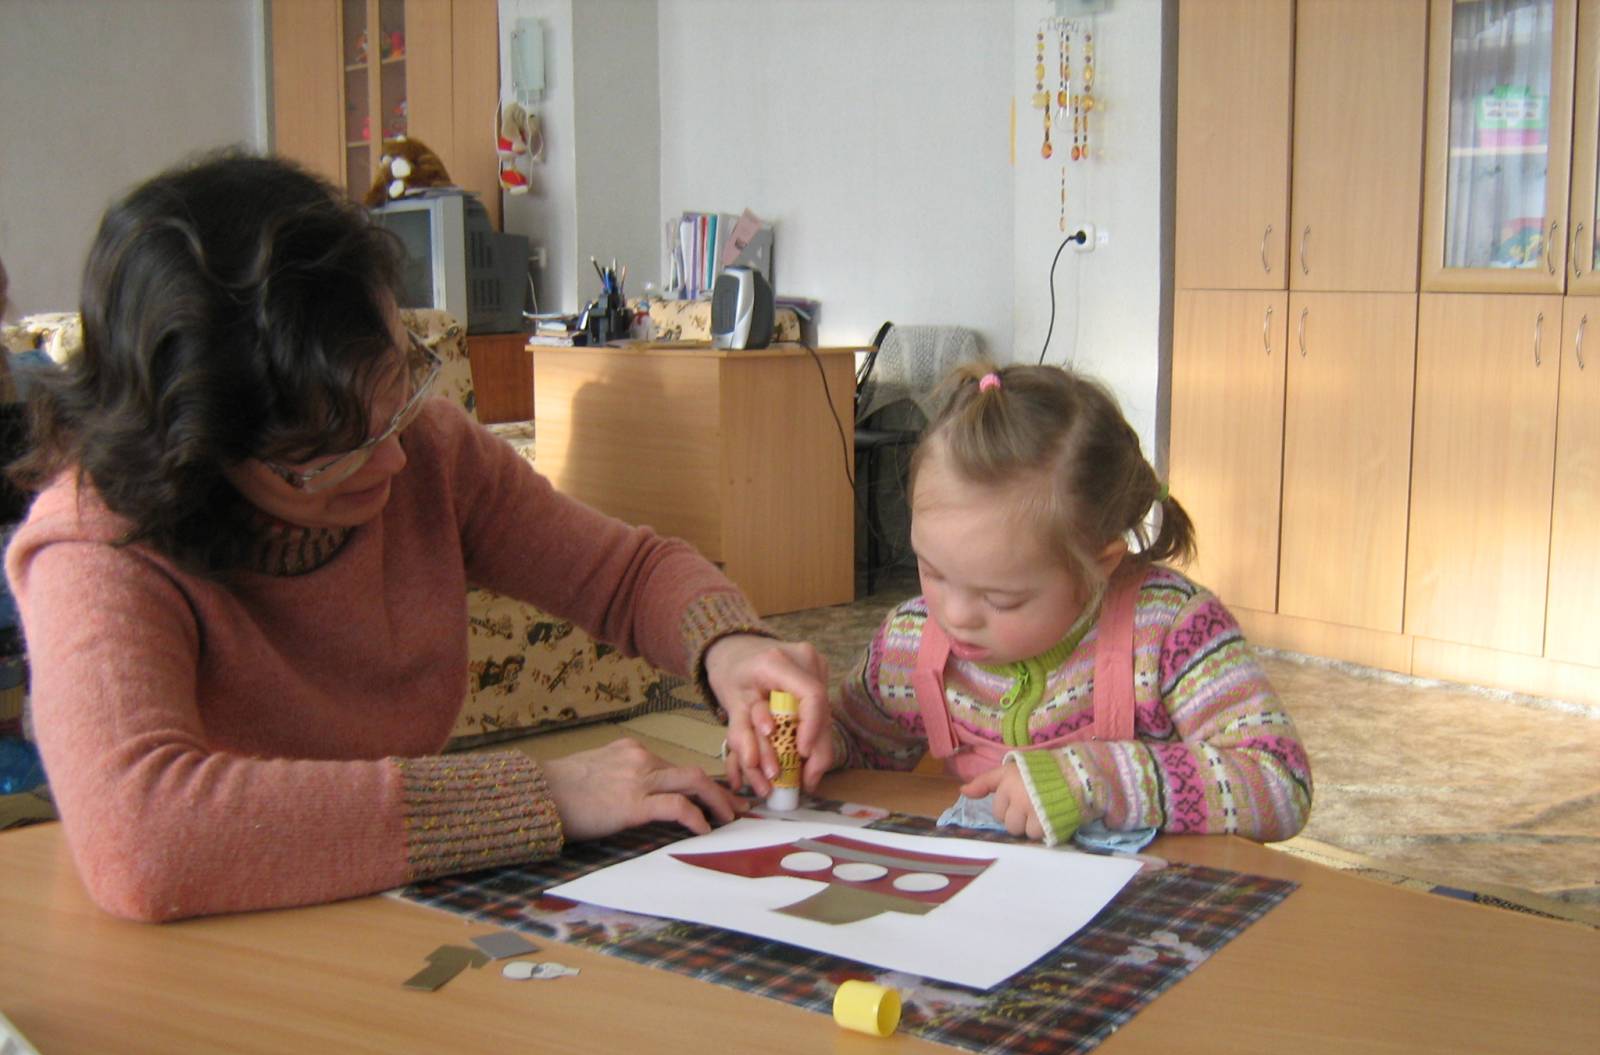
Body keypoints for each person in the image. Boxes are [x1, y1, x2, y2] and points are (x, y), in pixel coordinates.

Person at [3, 150, 832, 922]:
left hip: (383, 902)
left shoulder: (427, 452)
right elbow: (144, 839)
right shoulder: (96, 543)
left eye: (398, 393)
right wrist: (539, 794)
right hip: (211, 943)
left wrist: (727, 647)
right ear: (201, 453)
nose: (394, 459)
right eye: (330, 454)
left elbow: (625, 574)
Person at [823, 364, 1311, 846]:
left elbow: (1280, 783)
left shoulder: (1171, 632)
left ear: (1099, 565)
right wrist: (819, 744)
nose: (953, 615)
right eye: (932, 572)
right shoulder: (908, 644)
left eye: (1001, 598)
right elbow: (858, 747)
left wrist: (1095, 779)